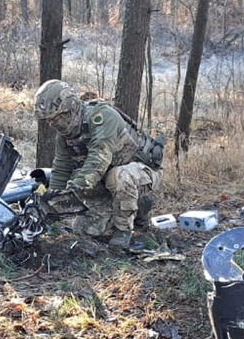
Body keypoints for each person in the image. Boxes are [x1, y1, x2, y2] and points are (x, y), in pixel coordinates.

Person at [34, 79, 164, 248]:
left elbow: (98, 161)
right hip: (105, 178)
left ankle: (124, 228)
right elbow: (61, 167)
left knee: (118, 177)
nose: (52, 124)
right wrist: (52, 200)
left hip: (140, 171)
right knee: (83, 230)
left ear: (69, 108)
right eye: (49, 120)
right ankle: (125, 208)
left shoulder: (102, 117)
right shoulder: (65, 134)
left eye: (55, 118)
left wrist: (72, 190)